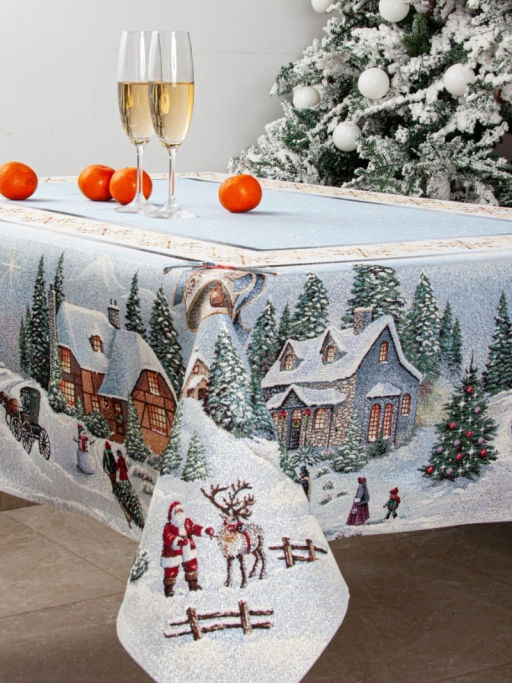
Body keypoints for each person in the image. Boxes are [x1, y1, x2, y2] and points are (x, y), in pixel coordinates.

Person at [160, 500, 215, 597]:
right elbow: (167, 537)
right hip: (173, 551)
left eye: (181, 510)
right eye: (177, 511)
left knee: (191, 565)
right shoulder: (168, 526)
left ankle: (193, 584)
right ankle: (169, 588)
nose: (180, 513)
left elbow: (195, 528)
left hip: (187, 548)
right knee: (171, 569)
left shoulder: (187, 522)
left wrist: (205, 531)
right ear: (172, 514)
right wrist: (178, 541)